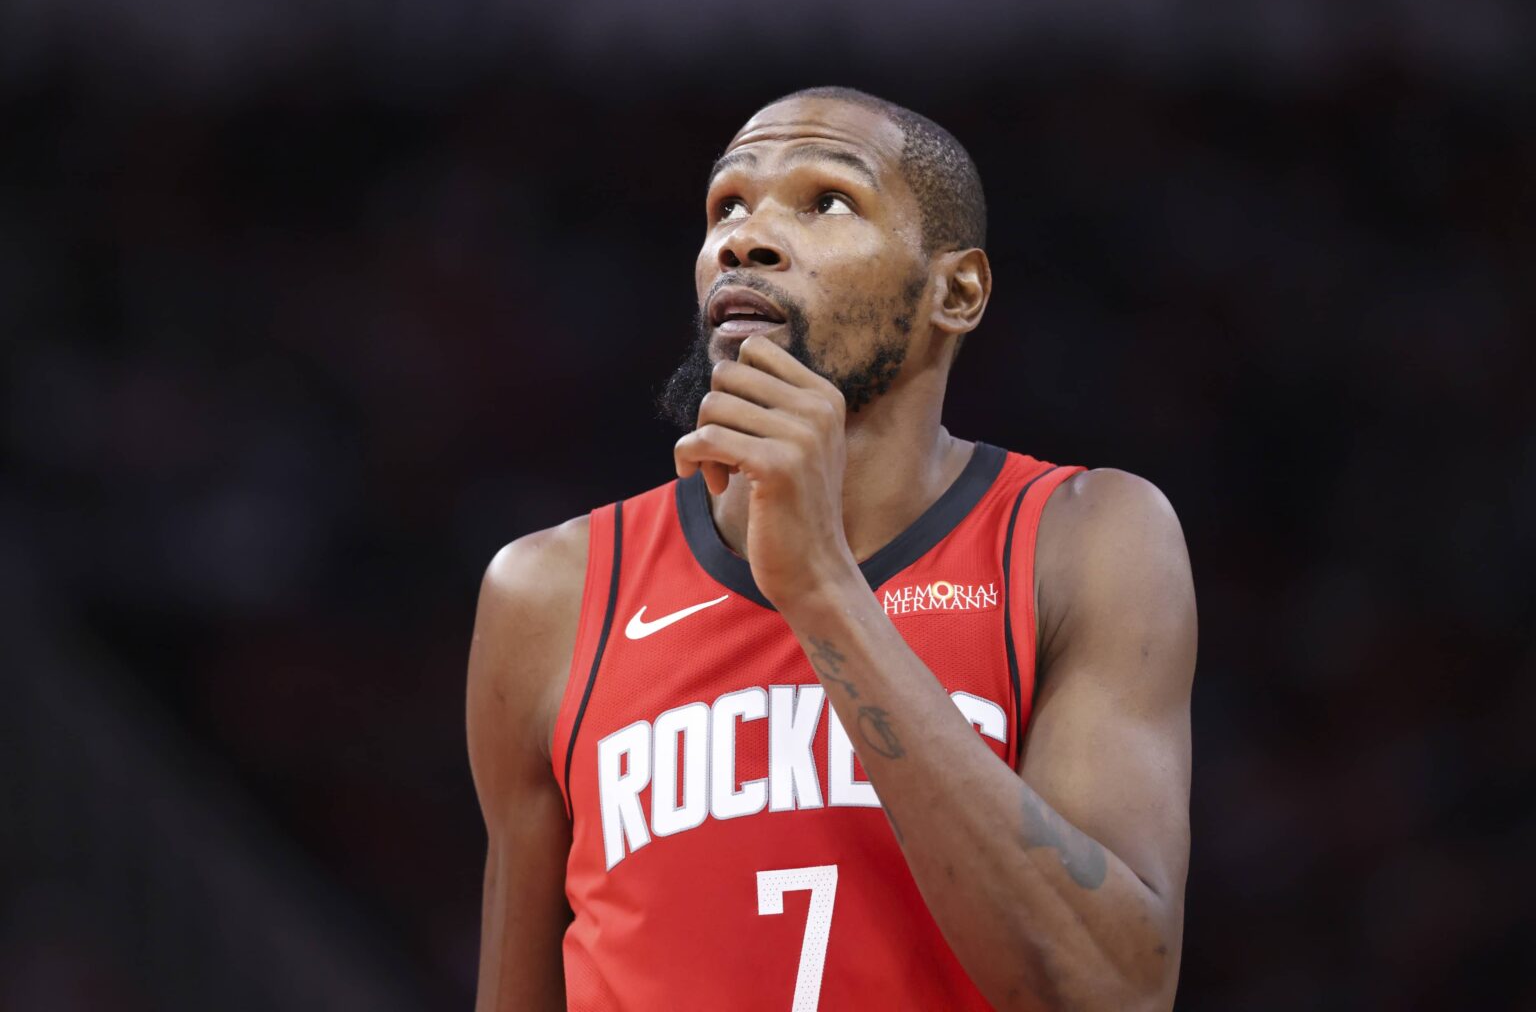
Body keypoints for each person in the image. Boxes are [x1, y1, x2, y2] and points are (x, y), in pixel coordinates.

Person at [466, 86, 1196, 1011]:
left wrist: (820, 586)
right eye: (727, 206)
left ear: (955, 291)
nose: (747, 238)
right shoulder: (552, 593)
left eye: (828, 202)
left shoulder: (1083, 538)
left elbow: (1113, 991)